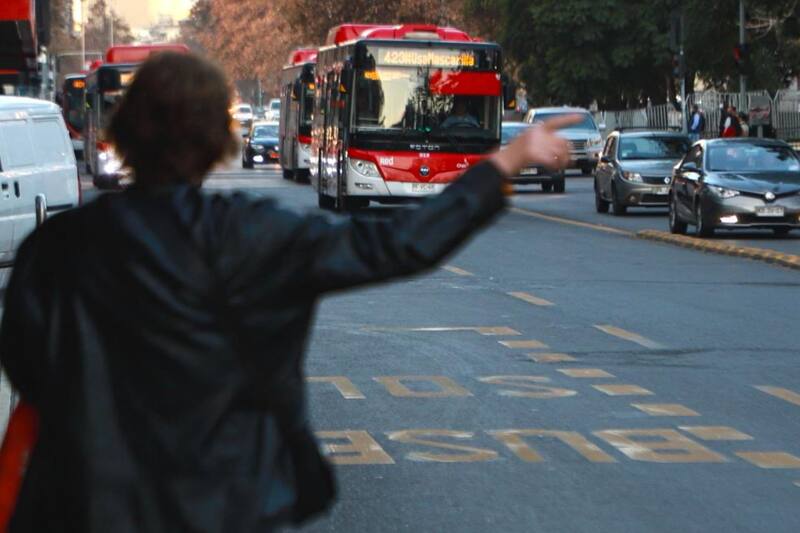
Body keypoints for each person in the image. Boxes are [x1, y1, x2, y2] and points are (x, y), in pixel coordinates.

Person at [0, 52, 576, 532]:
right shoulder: (258, 234)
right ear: (215, 139)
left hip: (82, 504)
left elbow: (25, 365)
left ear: (122, 130)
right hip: (225, 504)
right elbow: (403, 244)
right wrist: (506, 159)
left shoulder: (56, 248)